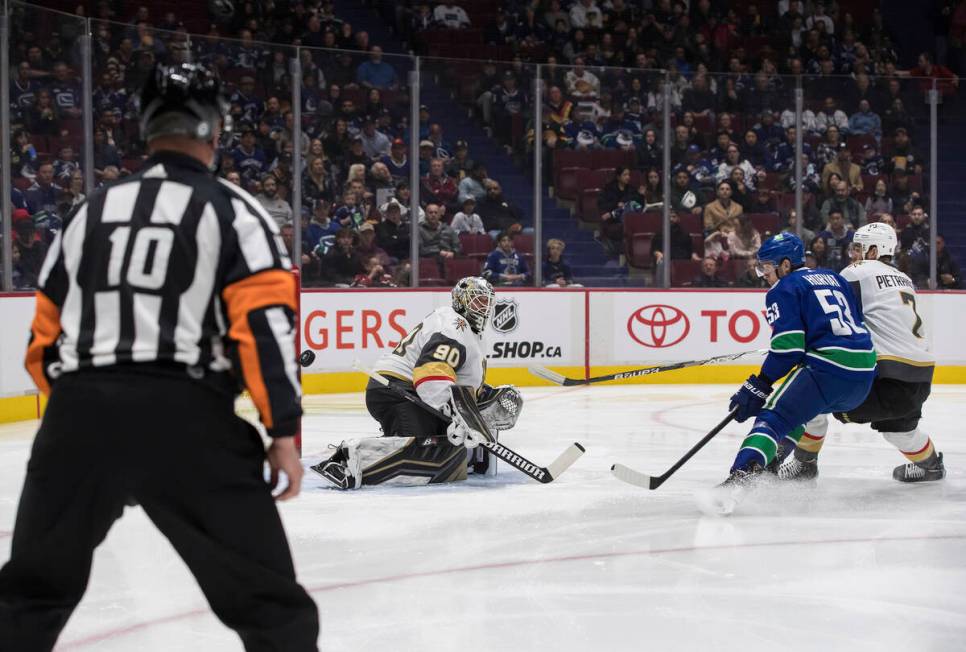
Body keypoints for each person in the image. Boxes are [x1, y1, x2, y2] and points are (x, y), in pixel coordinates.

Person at [0, 63, 318, 650]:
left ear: (145, 128)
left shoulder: (88, 211)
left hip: (78, 415)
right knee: (272, 609)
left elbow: (41, 343)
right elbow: (264, 329)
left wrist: (90, 421)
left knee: (27, 599)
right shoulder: (237, 212)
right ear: (216, 131)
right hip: (187, 416)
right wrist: (283, 432)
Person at [707, 233, 875, 512]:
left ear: (785, 265)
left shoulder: (783, 288)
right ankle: (772, 459)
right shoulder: (836, 278)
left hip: (828, 368)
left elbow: (788, 350)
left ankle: (738, 481)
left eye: (767, 268)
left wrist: (758, 385)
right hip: (865, 372)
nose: (764, 275)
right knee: (804, 410)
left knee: (773, 418)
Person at [311, 277, 525, 488]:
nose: (484, 307)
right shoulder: (454, 325)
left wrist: (482, 399)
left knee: (448, 452)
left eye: (487, 301)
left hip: (414, 392)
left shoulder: (472, 334)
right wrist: (458, 416)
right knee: (427, 454)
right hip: (397, 390)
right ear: (461, 300)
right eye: (477, 300)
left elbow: (459, 382)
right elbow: (430, 376)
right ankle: (348, 459)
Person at [781, 223, 944, 483]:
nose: (853, 253)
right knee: (900, 431)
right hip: (920, 380)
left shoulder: (857, 271)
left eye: (858, 247)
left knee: (812, 396)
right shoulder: (905, 279)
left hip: (887, 379)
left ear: (873, 250)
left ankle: (804, 464)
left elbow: (834, 314)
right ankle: (932, 466)